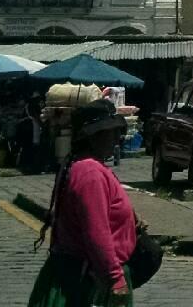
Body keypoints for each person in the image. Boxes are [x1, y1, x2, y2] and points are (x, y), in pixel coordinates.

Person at [29, 100, 138, 306]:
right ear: (94, 137)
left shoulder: (83, 166)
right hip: (87, 280)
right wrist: (114, 278)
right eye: (111, 132)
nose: (116, 139)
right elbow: (96, 232)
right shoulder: (90, 173)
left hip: (81, 272)